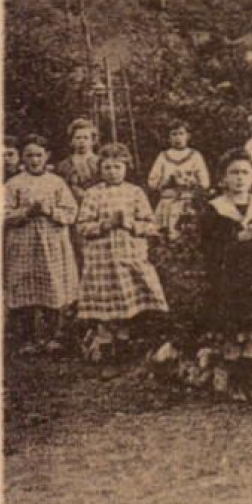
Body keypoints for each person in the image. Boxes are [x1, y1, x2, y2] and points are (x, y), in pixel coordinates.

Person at [75, 143, 167, 361]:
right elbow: (82, 226)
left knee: (127, 301)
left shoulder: (135, 192)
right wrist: (104, 225)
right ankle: (105, 347)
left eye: (117, 167)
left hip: (129, 255)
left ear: (126, 167)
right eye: (107, 167)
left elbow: (151, 225)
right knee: (105, 304)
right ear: (100, 169)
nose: (112, 172)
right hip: (102, 259)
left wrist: (131, 225)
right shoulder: (92, 194)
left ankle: (124, 346)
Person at [199, 150, 252, 398]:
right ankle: (232, 382)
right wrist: (235, 239)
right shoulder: (216, 209)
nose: (240, 178)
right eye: (234, 173)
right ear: (223, 179)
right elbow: (208, 246)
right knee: (232, 331)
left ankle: (247, 381)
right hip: (228, 279)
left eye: (245, 172)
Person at [4, 134, 79, 355]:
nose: (34, 160)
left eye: (39, 155)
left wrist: (50, 211)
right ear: (22, 158)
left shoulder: (57, 183)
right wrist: (26, 212)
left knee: (52, 285)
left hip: (52, 241)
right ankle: (28, 339)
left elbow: (71, 212)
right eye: (29, 155)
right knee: (25, 286)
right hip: (23, 242)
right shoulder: (13, 184)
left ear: (47, 156)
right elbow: (2, 213)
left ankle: (54, 337)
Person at [147, 121, 210, 241]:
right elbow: (152, 182)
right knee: (164, 236)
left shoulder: (195, 155)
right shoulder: (163, 156)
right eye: (174, 134)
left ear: (188, 136)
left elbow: (205, 183)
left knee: (188, 234)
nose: (178, 138)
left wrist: (189, 180)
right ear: (168, 138)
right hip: (167, 201)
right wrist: (167, 181)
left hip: (188, 201)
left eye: (181, 133)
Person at [55, 118, 102, 204]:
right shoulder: (63, 165)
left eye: (86, 138)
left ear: (93, 141)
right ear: (71, 141)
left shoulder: (101, 162)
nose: (82, 141)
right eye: (78, 138)